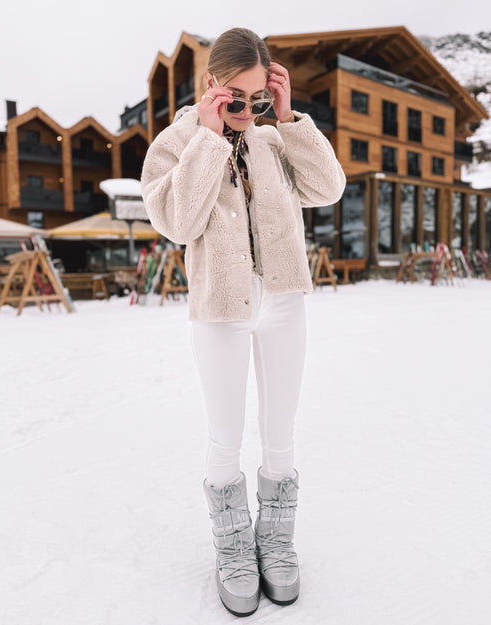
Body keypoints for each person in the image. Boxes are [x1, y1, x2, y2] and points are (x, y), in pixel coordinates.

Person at [141, 27, 345, 617]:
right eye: (236, 95)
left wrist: (287, 119)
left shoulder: (272, 137)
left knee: (280, 432)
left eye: (256, 97)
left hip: (283, 300)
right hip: (220, 307)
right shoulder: (176, 143)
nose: (245, 107)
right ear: (210, 85)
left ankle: (275, 541)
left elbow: (328, 187)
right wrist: (206, 139)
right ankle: (233, 547)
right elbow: (178, 222)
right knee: (224, 435)